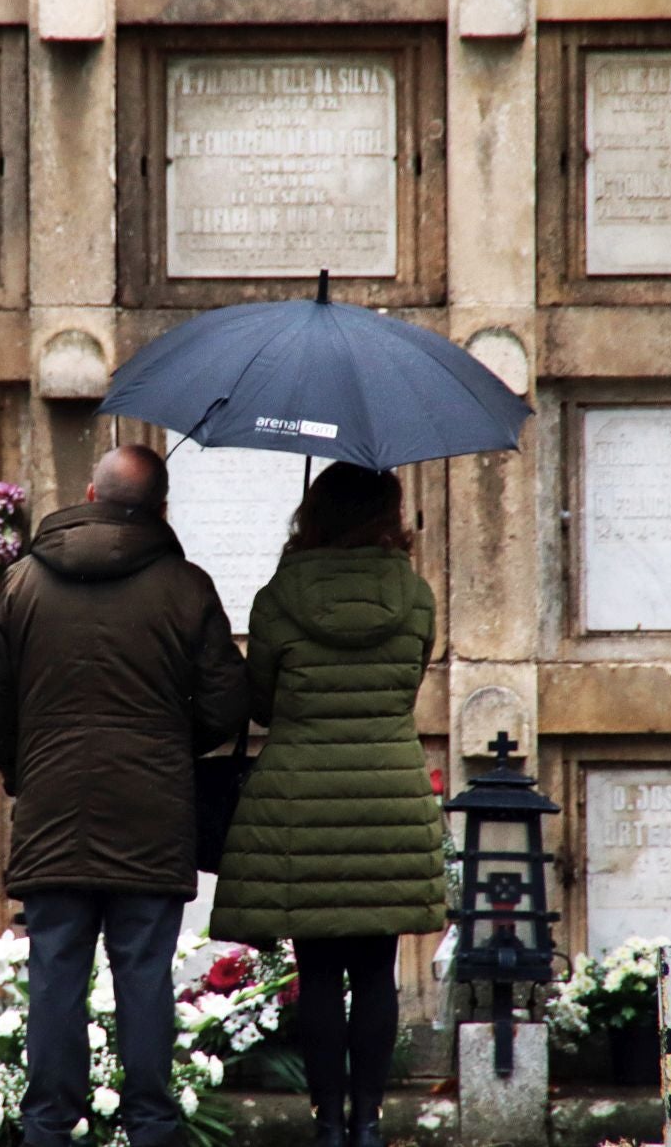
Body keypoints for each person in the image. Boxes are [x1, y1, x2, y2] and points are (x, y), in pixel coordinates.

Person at [0, 444, 249, 1147]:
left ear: (91, 498)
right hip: (153, 812)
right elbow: (225, 706)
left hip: (52, 806)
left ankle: (46, 1128)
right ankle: (152, 1126)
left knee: (55, 974)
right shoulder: (187, 587)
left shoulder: (23, 582)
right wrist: (165, 746)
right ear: (161, 510)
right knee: (145, 976)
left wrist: (24, 772)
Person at [207, 463, 446, 1147]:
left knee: (317, 973)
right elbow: (407, 685)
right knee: (377, 971)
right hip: (389, 794)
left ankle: (329, 1126)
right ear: (389, 514)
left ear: (315, 512)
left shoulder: (280, 597)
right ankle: (370, 1125)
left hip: (299, 799)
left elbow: (258, 703)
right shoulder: (416, 597)